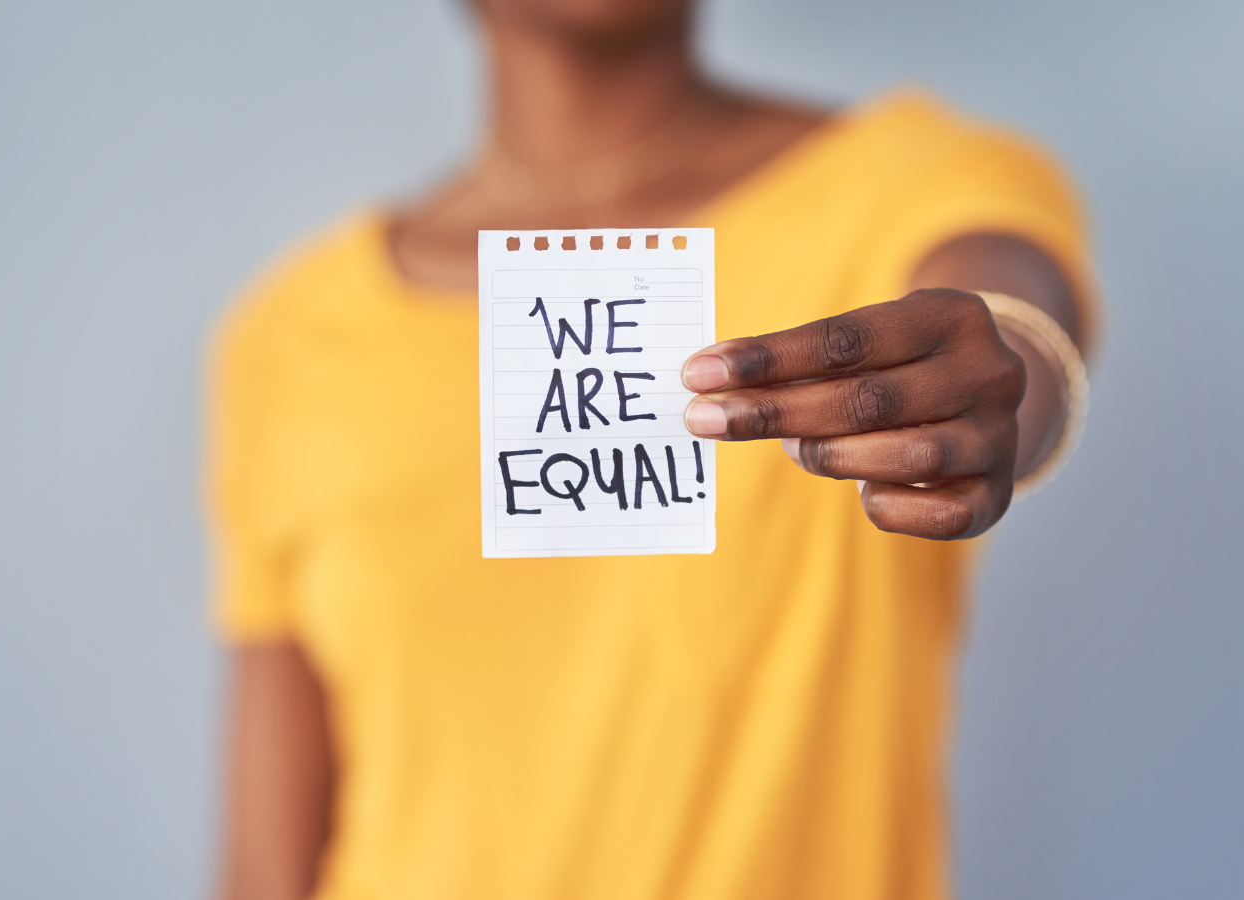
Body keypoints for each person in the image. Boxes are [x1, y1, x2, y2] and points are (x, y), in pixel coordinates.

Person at [207, 0, 1097, 898]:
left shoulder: (914, 189)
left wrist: (1006, 380)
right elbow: (266, 866)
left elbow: (1012, 324)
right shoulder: (291, 338)